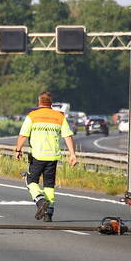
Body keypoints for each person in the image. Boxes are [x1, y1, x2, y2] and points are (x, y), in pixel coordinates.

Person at [14, 91, 78, 221]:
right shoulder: (59, 117)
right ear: (51, 103)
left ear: (39, 102)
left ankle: (40, 201)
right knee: (49, 185)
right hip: (52, 157)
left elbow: (23, 135)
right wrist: (72, 154)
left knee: (30, 180)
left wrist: (18, 150)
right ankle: (49, 214)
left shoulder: (32, 116)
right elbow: (68, 136)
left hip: (37, 156)